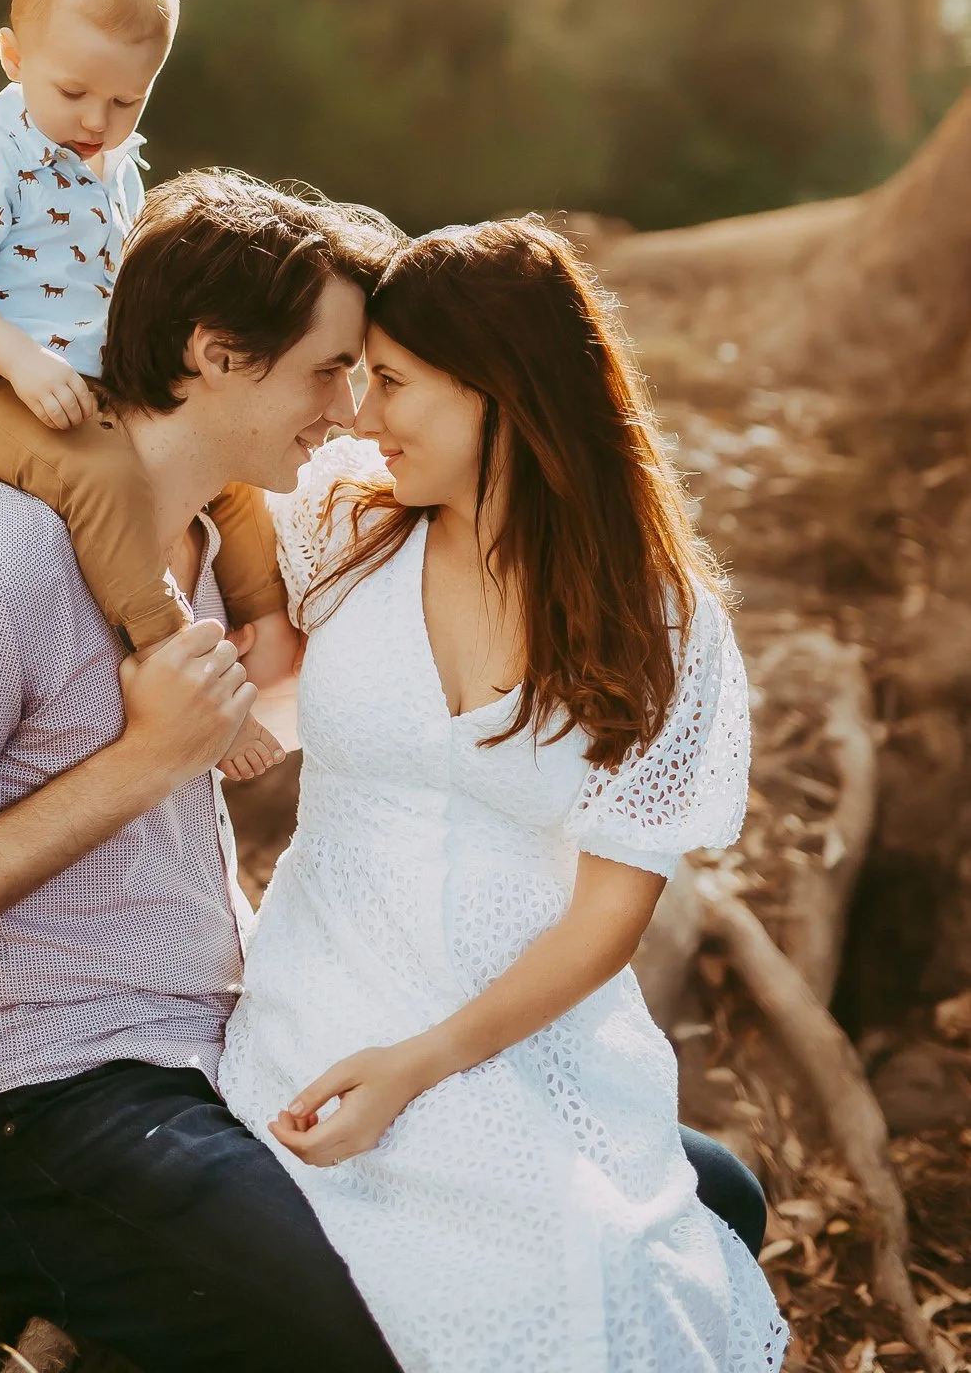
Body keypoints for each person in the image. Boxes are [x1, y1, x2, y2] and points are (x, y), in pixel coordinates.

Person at [0, 176, 768, 1373]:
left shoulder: (225, 552)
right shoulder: (5, 571)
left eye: (379, 376)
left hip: (224, 1036)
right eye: (334, 369)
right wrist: (142, 760)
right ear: (219, 356)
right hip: (48, 1093)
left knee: (709, 1199)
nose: (355, 409)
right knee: (384, 1333)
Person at [219, 217, 789, 1372]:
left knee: (608, 1261)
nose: (362, 415)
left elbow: (605, 919)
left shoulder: (663, 623)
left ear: (501, 392)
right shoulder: (342, 518)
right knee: (479, 1256)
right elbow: (174, 459)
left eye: (392, 383)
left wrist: (429, 1058)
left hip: (538, 1030)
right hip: (328, 985)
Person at [0, 0, 286, 779]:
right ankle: (169, 655)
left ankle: (264, 624)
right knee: (104, 473)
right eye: (75, 92)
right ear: (13, 56)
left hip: (96, 384)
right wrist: (21, 362)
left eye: (127, 101)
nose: (97, 119)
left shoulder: (116, 164)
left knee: (223, 456)